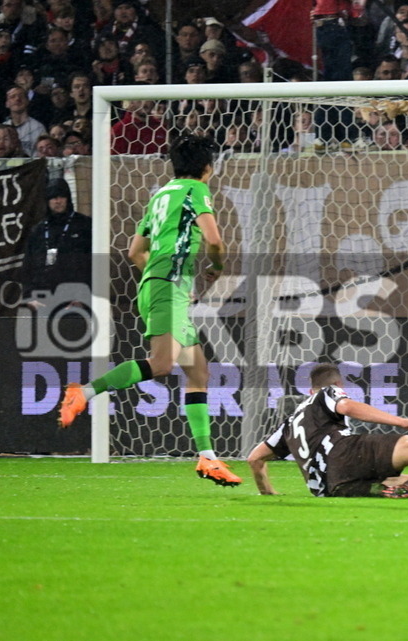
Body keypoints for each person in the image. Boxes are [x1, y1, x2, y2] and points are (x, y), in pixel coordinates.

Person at [57, 134, 241, 487]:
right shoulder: (194, 188)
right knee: (161, 365)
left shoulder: (161, 194)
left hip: (163, 286)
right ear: (208, 168)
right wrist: (215, 267)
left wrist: (165, 281)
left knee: (198, 373)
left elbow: (135, 252)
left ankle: (207, 458)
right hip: (165, 288)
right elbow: (215, 240)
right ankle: (84, 392)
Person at [246, 363, 408, 498]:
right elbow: (346, 406)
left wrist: (267, 492)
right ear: (337, 384)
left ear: (308, 389)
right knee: (407, 444)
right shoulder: (329, 393)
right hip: (342, 454)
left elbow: (254, 459)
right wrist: (401, 421)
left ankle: (397, 489)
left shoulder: (289, 423)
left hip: (330, 488)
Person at [18, 177, 91, 303]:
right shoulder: (38, 230)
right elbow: (27, 266)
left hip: (75, 298)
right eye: (53, 197)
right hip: (42, 299)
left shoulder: (84, 225)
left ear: (68, 198)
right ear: (47, 201)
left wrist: (84, 296)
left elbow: (93, 265)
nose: (58, 201)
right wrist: (29, 297)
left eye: (61, 196)